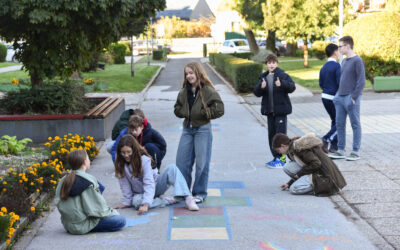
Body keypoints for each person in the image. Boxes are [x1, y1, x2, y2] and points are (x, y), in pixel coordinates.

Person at [174, 62, 224, 203]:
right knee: (182, 162)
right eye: (187, 73)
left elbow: (220, 108)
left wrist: (204, 113)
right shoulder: (184, 91)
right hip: (187, 130)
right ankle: (183, 192)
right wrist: (184, 112)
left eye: (191, 73)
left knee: (202, 163)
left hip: (203, 129)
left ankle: (200, 193)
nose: (189, 76)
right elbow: (177, 108)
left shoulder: (207, 90)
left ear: (198, 73)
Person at [113, 135, 199, 214]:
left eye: (129, 152)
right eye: (123, 153)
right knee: (136, 202)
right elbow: (124, 184)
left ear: (134, 150)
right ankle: (167, 200)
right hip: (140, 194)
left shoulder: (144, 160)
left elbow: (149, 182)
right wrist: (127, 202)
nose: (126, 155)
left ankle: (188, 198)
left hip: (155, 186)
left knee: (172, 168)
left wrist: (146, 204)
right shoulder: (120, 163)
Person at [55, 149, 126, 234]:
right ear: (85, 162)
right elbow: (97, 209)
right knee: (120, 220)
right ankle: (93, 228)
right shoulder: (87, 181)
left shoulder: (64, 179)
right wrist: (113, 213)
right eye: (88, 158)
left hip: (68, 225)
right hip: (81, 225)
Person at [253, 54, 296, 168]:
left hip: (280, 111)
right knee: (272, 136)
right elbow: (256, 93)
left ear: (277, 63)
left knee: (280, 136)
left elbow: (292, 87)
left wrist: (281, 84)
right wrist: (261, 87)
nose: (271, 65)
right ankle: (276, 157)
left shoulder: (282, 75)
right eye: (269, 63)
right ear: (266, 64)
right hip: (269, 111)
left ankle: (282, 159)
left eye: (273, 63)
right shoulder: (263, 77)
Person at [272, 133, 346, 196]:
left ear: (283, 146)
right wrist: (289, 183)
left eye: (278, 150)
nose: (279, 152)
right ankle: (307, 183)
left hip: (325, 177)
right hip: (314, 171)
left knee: (294, 189)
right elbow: (306, 165)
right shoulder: (291, 149)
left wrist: (299, 174)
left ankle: (322, 188)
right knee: (287, 167)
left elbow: (316, 164)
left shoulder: (299, 148)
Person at [329, 36, 366, 161]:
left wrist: (354, 97)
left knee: (355, 124)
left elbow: (361, 81)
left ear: (348, 46)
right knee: (339, 124)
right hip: (340, 97)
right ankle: (340, 150)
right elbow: (343, 80)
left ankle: (355, 151)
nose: (338, 48)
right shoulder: (343, 61)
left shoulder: (357, 60)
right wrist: (337, 96)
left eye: (340, 46)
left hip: (351, 97)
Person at [319, 43, 341, 153]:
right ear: (335, 52)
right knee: (340, 122)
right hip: (334, 98)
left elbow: (321, 83)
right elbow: (339, 83)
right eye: (338, 50)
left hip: (324, 97)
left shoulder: (323, 67)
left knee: (335, 120)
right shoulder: (337, 66)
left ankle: (334, 146)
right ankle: (326, 138)